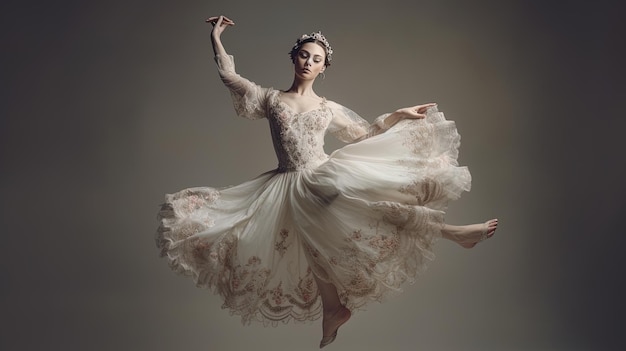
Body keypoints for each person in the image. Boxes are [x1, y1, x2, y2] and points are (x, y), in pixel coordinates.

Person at [156, 15, 498, 348]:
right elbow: (230, 77)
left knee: (374, 209)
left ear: (323, 68)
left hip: (322, 175)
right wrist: (216, 37)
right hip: (287, 184)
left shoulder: (327, 107)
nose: (308, 61)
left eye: (316, 59)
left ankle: (452, 233)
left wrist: (399, 114)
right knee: (313, 240)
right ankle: (332, 307)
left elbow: (364, 133)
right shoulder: (270, 99)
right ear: (294, 58)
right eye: (303, 55)